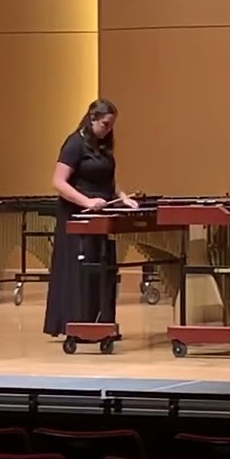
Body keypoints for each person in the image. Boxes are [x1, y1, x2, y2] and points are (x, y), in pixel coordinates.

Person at [44, 99, 139, 339]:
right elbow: (58, 182)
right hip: (78, 216)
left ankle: (100, 323)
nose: (108, 129)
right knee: (81, 270)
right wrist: (87, 202)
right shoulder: (75, 143)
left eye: (111, 126)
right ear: (93, 119)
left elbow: (107, 178)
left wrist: (122, 196)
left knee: (103, 266)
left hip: (101, 217)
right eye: (105, 124)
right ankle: (77, 324)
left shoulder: (103, 146)